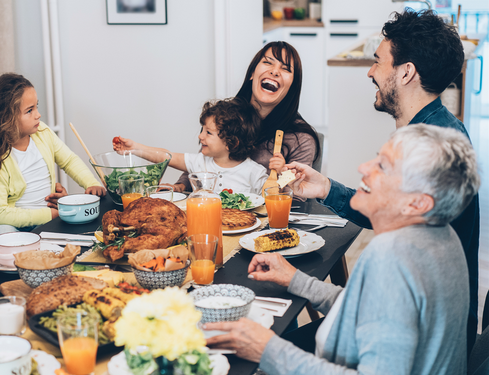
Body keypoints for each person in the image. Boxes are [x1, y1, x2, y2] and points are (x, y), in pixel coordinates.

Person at [206, 124, 480, 375]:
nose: (364, 167)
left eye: (383, 166)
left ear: (417, 204)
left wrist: (266, 349)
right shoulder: (443, 236)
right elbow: (370, 310)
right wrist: (296, 279)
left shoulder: (394, 256)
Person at [285, 9, 481, 353]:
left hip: (422, 340)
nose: (371, 72)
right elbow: (393, 210)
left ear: (406, 72)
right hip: (422, 324)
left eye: (378, 61)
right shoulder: (431, 129)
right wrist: (326, 188)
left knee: (285, 346)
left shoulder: (429, 149)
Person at [173, 41, 320, 192]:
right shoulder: (227, 115)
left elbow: (295, 195)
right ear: (252, 73)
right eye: (268, 62)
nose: (275, 72)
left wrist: (283, 172)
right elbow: (203, 161)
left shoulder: (301, 140)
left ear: (292, 86)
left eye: (285, 69)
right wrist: (180, 186)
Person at [0, 73, 105, 246]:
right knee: (0, 235)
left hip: (46, 217)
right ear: (6, 118)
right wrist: (51, 215)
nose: (38, 115)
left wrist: (91, 183)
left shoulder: (43, 133)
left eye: (36, 107)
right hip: (12, 224)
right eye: (29, 111)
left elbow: (69, 160)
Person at [113, 97, 267, 194]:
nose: (200, 136)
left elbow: (273, 197)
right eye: (202, 130)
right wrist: (134, 148)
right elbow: (165, 156)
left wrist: (281, 173)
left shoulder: (254, 172)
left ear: (231, 143)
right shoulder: (199, 162)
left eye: (208, 133)